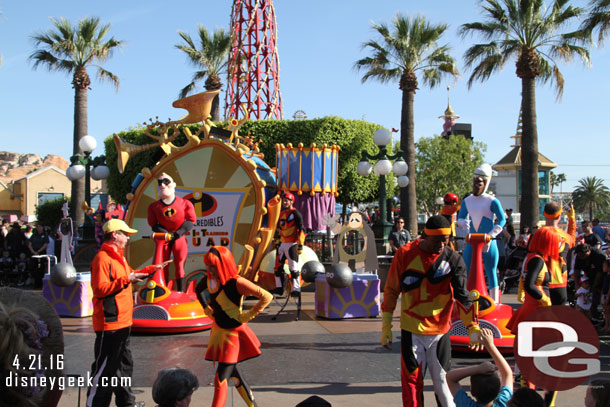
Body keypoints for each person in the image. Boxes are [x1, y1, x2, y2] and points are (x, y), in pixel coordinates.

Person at [381, 215, 482, 407]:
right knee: (411, 385)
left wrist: (473, 326)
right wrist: (386, 326)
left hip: (440, 331)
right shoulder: (404, 254)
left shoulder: (453, 258)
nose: (442, 245)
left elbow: (462, 294)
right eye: (437, 241)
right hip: (412, 330)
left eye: (446, 240)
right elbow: (392, 290)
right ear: (425, 237)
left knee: (444, 384)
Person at [87, 219, 169, 407]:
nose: (128, 238)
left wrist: (151, 270)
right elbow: (100, 289)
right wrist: (127, 279)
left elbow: (129, 275)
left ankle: (126, 403)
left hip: (123, 321)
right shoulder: (102, 258)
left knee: (124, 366)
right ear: (115, 235)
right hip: (110, 323)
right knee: (104, 370)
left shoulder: (118, 257)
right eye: (125, 234)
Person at [195, 246, 272, 407]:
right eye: (208, 265)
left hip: (233, 336)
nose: (210, 269)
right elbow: (198, 290)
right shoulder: (210, 280)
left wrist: (249, 315)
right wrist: (207, 309)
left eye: (213, 266)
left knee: (220, 379)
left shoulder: (237, 282)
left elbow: (266, 296)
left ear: (223, 264)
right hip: (219, 333)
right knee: (235, 377)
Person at [506, 227, 557, 389]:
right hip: (536, 308)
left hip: (532, 306)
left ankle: (524, 377)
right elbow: (530, 284)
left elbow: (525, 281)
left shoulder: (531, 257)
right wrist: (545, 300)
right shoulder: (537, 260)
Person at [457, 163, 506, 303]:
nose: (476, 185)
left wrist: (491, 235)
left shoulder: (492, 201)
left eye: (480, 182)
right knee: (466, 269)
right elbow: (461, 217)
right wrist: (465, 229)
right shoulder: (467, 201)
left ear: (486, 182)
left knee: (491, 271)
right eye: (474, 181)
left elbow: (502, 220)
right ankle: (465, 299)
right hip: (472, 241)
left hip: (488, 242)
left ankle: (495, 301)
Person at [147, 172, 196, 292]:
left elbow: (191, 220)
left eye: (166, 182)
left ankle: (181, 291)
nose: (162, 185)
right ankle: (164, 290)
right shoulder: (154, 206)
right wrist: (165, 234)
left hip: (178, 237)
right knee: (162, 265)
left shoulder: (185, 203)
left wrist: (178, 233)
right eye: (160, 183)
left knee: (179, 265)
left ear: (173, 184)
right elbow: (153, 224)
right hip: (164, 239)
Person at [447, 328, 513, 407]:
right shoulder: (503, 402)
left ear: (472, 391)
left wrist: (478, 369)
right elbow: (507, 374)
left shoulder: (466, 404)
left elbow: (450, 377)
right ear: (499, 389)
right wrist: (490, 345)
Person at [539, 202, 576, 306]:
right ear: (559, 216)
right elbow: (572, 239)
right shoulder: (565, 237)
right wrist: (571, 218)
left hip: (542, 282)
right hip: (560, 281)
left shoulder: (539, 234)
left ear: (544, 214)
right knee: (559, 316)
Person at [273, 192, 305, 297]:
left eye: (286, 200)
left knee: (294, 268)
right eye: (284, 200)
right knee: (277, 268)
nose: (284, 202)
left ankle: (296, 289)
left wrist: (300, 245)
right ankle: (279, 288)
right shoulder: (282, 213)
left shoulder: (296, 214)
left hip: (292, 244)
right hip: (282, 244)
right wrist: (277, 241)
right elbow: (279, 229)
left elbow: (302, 229)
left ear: (291, 201)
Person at [573, 243, 606, 320]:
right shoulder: (579, 256)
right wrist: (577, 284)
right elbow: (576, 270)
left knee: (598, 300)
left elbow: (600, 273)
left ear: (588, 251)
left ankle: (597, 318)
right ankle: (591, 317)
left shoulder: (598, 255)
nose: (581, 257)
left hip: (602, 279)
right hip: (589, 278)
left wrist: (594, 286)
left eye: (583, 255)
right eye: (579, 255)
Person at [27, 223, 50, 288]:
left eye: (40, 226)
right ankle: (35, 283)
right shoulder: (34, 235)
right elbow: (29, 244)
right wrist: (33, 251)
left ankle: (40, 283)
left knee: (41, 269)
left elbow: (45, 244)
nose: (38, 228)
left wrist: (38, 251)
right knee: (33, 268)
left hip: (41, 253)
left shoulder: (45, 235)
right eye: (37, 226)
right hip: (33, 253)